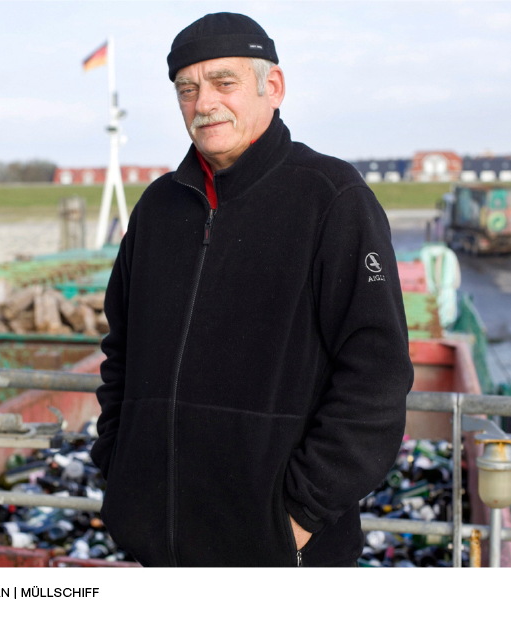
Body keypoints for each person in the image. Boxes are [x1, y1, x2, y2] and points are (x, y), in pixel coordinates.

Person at [91, 12, 414, 567]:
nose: (204, 103)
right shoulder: (157, 209)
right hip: (158, 550)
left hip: (282, 555)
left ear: (274, 86)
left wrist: (296, 517)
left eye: (224, 82)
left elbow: (376, 374)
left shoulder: (332, 199)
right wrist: (119, 470)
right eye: (187, 89)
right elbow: (121, 352)